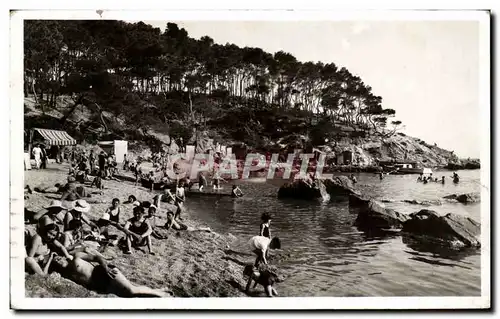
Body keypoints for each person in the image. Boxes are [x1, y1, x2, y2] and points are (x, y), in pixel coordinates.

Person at [50, 251, 170, 297]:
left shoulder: (76, 258)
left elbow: (97, 257)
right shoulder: (65, 274)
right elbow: (43, 274)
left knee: (132, 290)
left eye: (59, 257)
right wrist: (50, 258)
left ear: (64, 257)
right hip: (99, 285)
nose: (58, 260)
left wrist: (106, 268)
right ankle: (160, 290)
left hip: (102, 272)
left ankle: (161, 294)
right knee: (130, 293)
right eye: (56, 261)